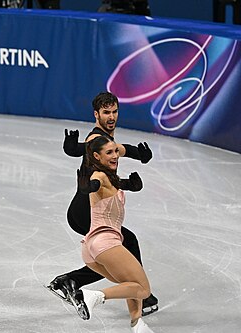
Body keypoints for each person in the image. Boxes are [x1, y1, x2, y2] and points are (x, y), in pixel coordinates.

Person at [46, 92, 159, 317]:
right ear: (96, 114)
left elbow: (122, 148)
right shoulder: (95, 138)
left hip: (88, 208)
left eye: (114, 111)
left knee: (118, 248)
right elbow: (81, 148)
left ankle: (73, 281)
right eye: (106, 112)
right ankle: (140, 293)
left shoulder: (108, 142)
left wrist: (141, 155)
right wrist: (70, 147)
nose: (111, 116)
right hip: (85, 209)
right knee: (118, 247)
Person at [73, 135, 154, 332]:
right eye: (109, 152)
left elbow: (114, 184)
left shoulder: (110, 178)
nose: (115, 155)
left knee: (131, 284)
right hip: (105, 243)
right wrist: (86, 188)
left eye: (116, 151)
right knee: (143, 289)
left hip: (91, 247)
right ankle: (94, 296)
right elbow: (95, 184)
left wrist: (131, 186)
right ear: (96, 156)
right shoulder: (98, 176)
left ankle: (137, 324)